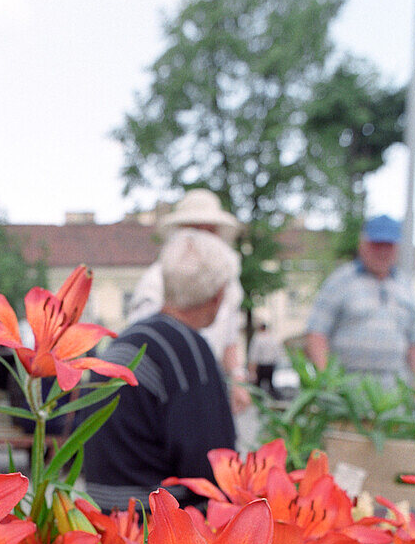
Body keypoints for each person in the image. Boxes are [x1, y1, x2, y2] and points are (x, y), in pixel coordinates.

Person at [82, 229, 237, 513]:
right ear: (218, 295)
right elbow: (214, 464)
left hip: (103, 516)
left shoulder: (126, 340)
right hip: (156, 526)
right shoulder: (190, 350)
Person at [128, 189, 251, 413]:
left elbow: (229, 339)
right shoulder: (156, 280)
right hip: (169, 390)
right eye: (196, 229)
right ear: (180, 233)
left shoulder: (228, 283)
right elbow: (142, 344)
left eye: (210, 230)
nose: (202, 238)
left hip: (210, 384)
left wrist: (238, 381)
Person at [305, 215, 415, 387]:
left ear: (397, 247)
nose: (383, 251)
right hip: (347, 389)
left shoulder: (405, 286)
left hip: (394, 393)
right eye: (377, 244)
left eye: (388, 245)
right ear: (363, 244)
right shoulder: (340, 280)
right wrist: (326, 380)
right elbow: (316, 334)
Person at [247, 320, 283, 397]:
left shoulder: (258, 338)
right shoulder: (272, 338)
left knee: (258, 386)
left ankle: (259, 400)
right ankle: (272, 399)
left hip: (261, 365)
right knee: (270, 384)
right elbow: (278, 352)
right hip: (271, 365)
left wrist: (252, 369)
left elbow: (254, 355)